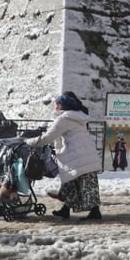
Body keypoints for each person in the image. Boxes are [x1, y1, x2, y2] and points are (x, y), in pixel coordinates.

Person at [28, 91, 103, 220]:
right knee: (74, 182)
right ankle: (66, 209)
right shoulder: (77, 116)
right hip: (84, 154)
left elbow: (48, 137)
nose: (55, 106)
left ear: (62, 105)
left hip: (79, 156)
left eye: (57, 104)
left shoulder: (64, 119)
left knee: (83, 184)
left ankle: (95, 213)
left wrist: (28, 142)